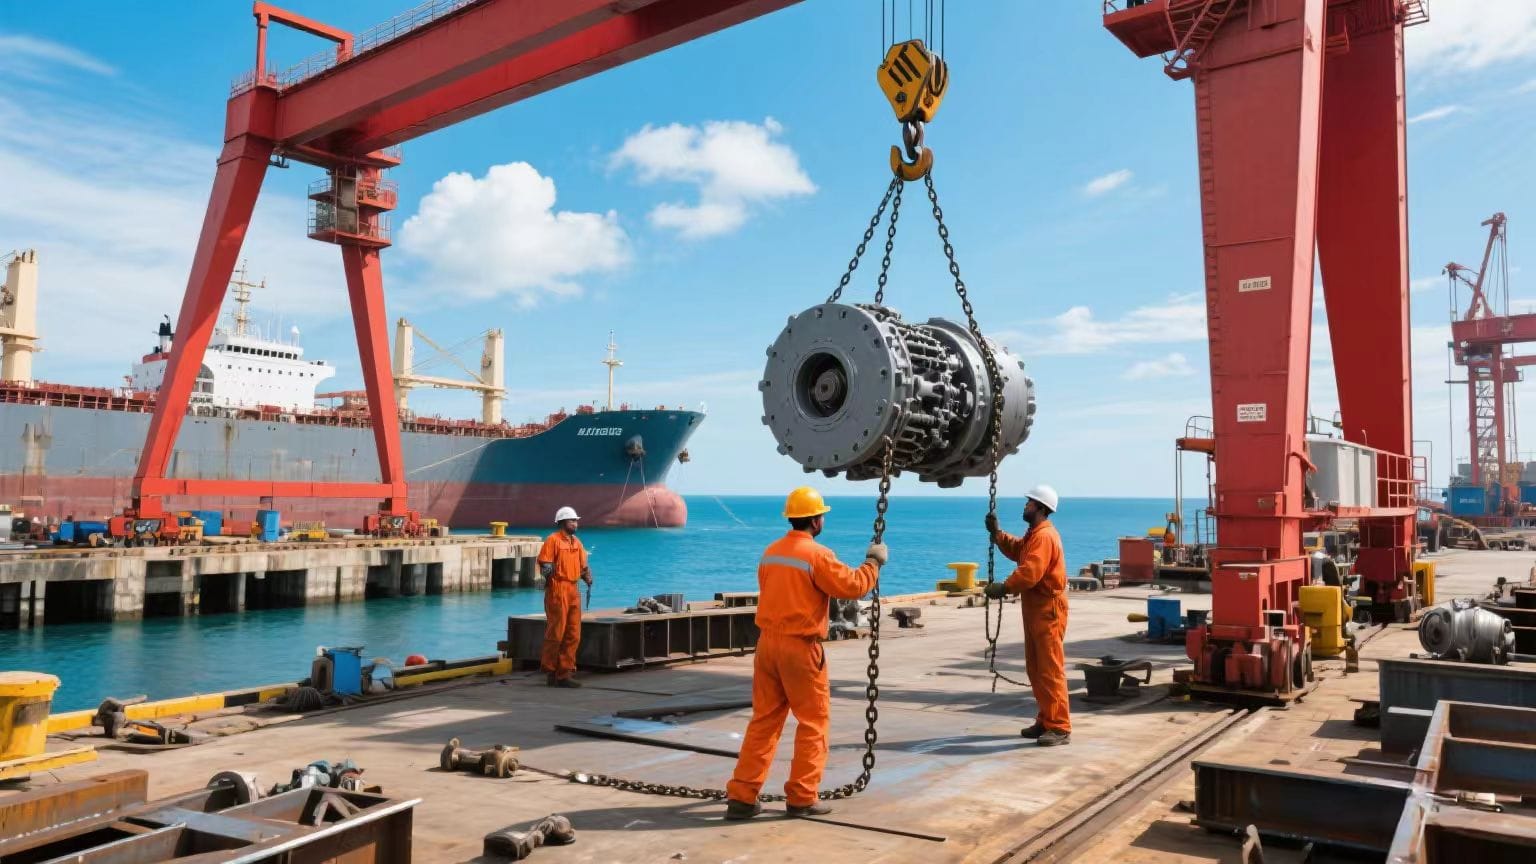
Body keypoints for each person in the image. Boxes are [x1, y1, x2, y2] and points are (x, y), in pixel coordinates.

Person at [724, 487, 888, 820]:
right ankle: (801, 797)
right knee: (813, 723)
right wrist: (873, 563)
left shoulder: (770, 552)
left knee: (764, 722)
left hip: (767, 645)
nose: (823, 519)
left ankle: (742, 796)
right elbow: (853, 586)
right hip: (800, 648)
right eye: (822, 515)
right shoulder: (817, 555)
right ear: (815, 520)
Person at [984, 484, 1071, 746]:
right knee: (1036, 668)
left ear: (1041, 508)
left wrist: (1006, 587)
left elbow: (1031, 571)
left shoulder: (1044, 536)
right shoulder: (1035, 534)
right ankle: (1046, 720)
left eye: (1029, 503)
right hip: (1036, 609)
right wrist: (998, 534)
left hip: (1048, 610)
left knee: (1050, 668)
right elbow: (1020, 551)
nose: (1026, 506)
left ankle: (1060, 726)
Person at [538, 506, 591, 688]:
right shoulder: (553, 540)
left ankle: (564, 673)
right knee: (556, 632)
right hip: (557, 588)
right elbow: (545, 562)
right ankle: (551, 671)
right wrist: (546, 574)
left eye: (576, 520)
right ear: (562, 522)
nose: (575, 523)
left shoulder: (576, 542)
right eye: (572, 521)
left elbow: (583, 565)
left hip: (573, 589)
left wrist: (587, 576)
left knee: (573, 634)